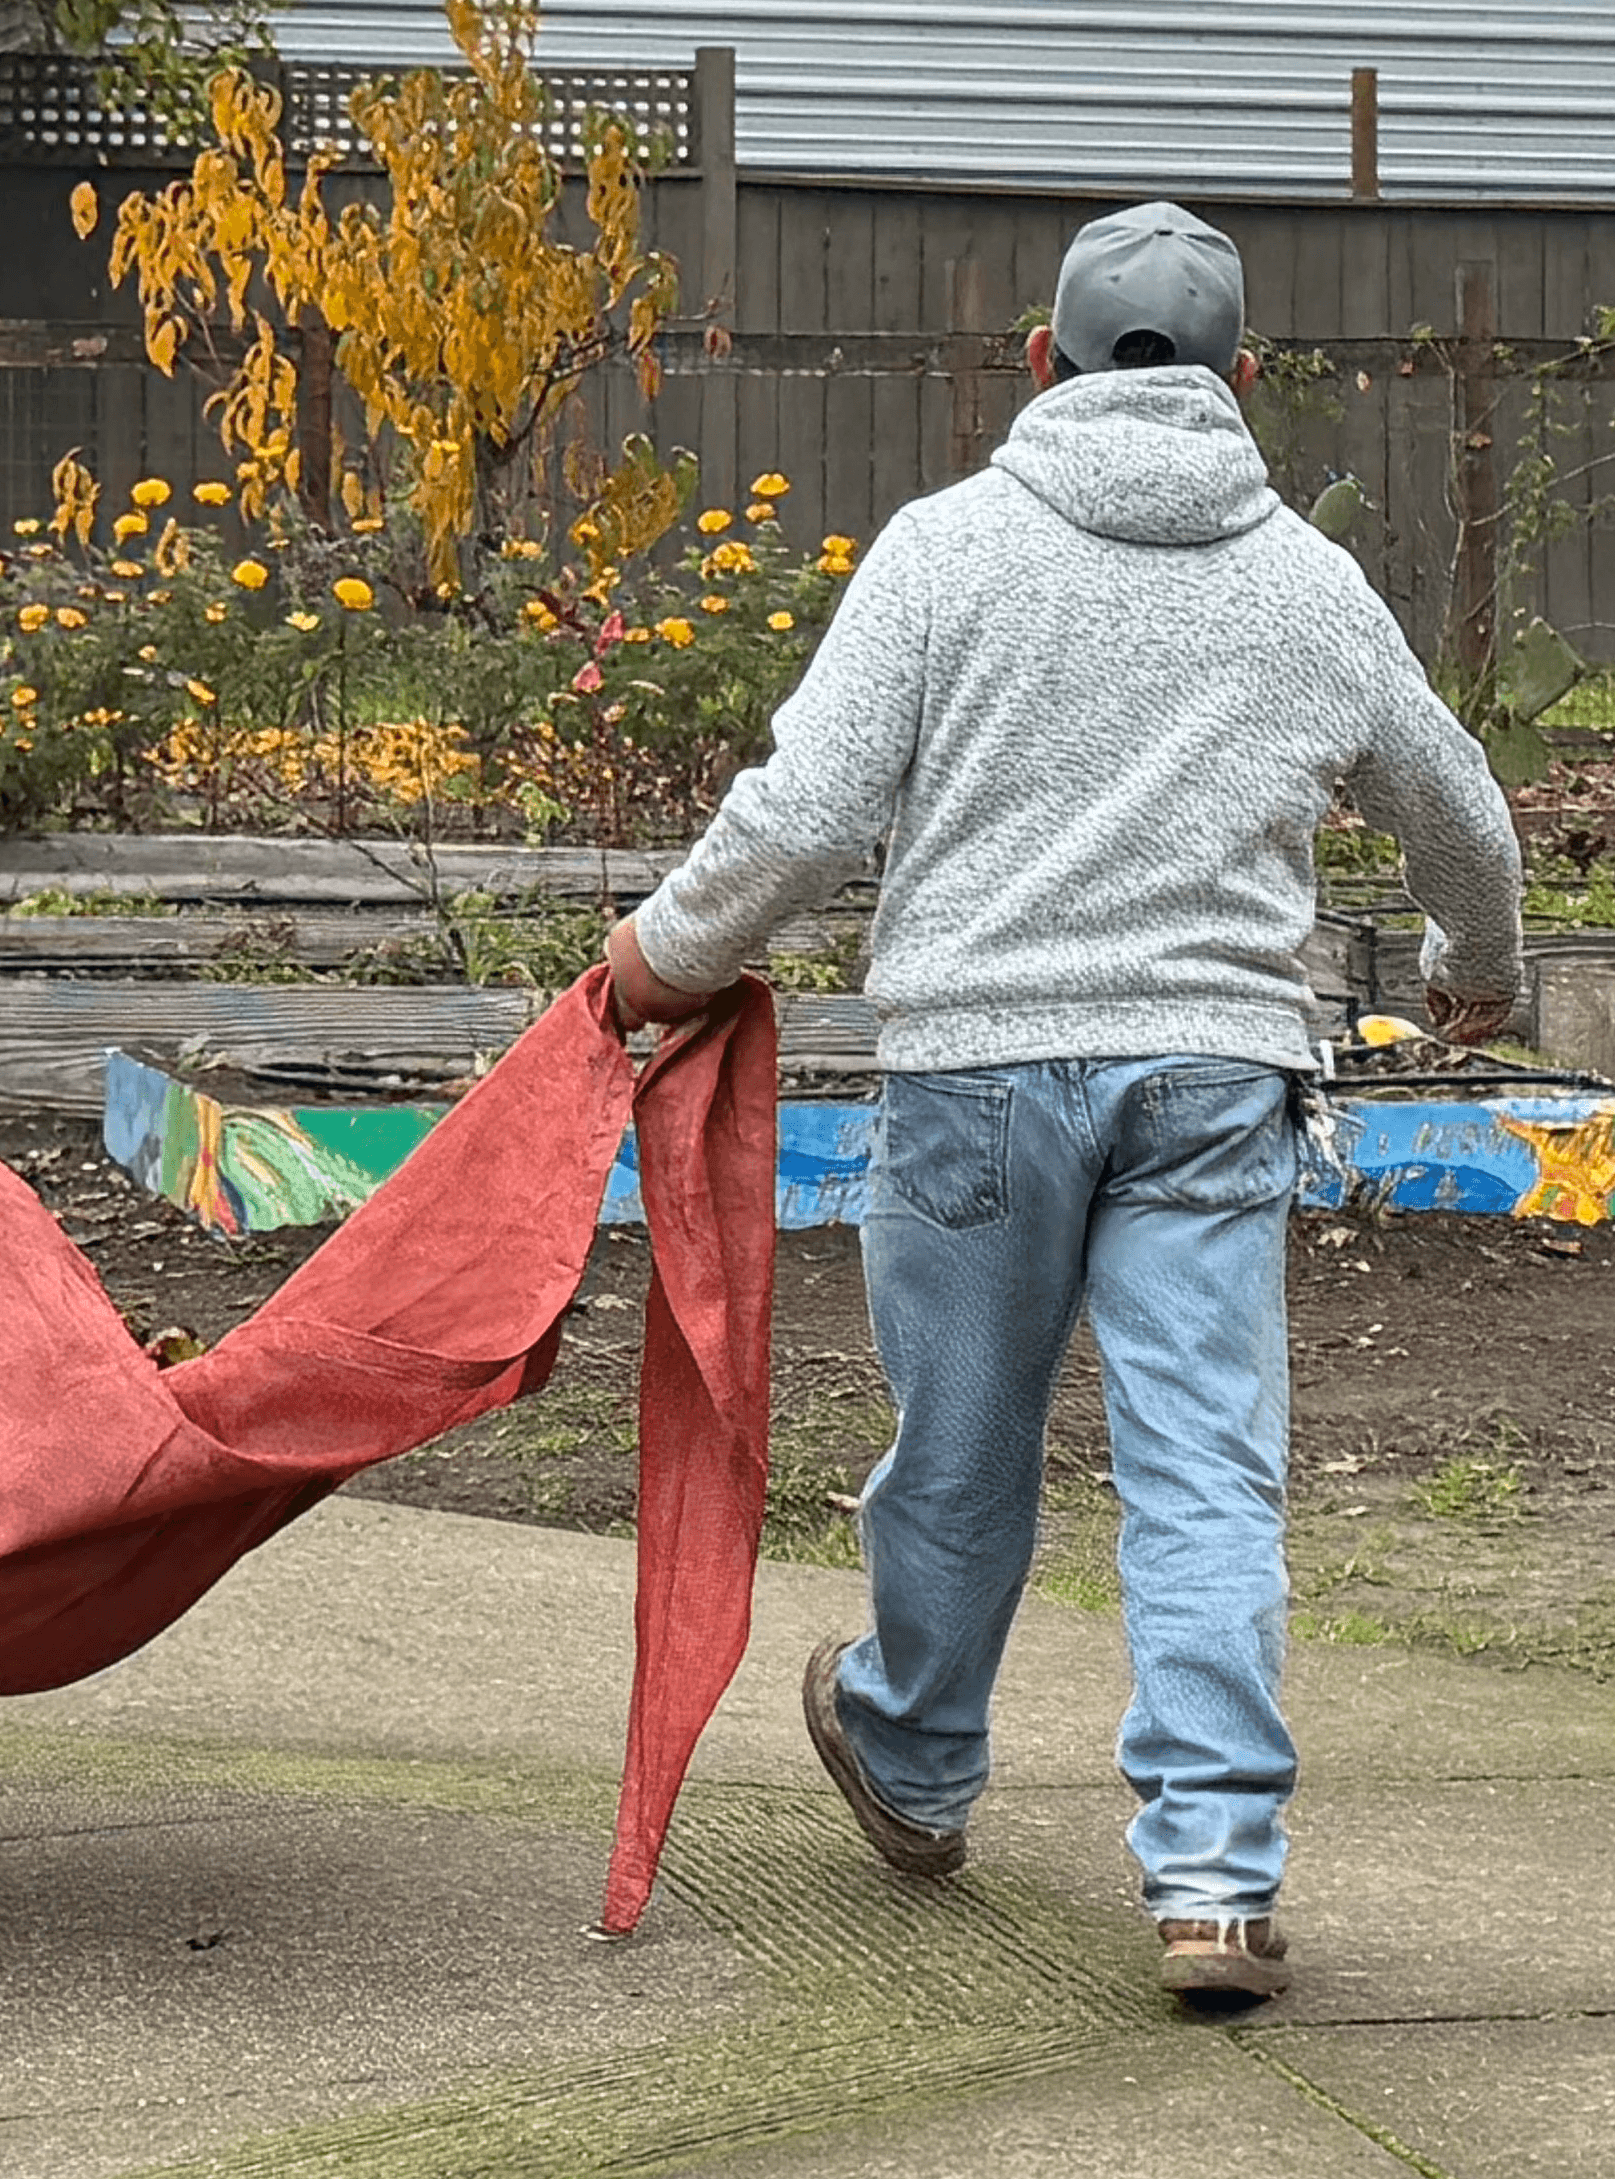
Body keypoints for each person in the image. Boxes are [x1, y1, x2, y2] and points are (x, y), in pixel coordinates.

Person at [606, 201, 1525, 2012]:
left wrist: (662, 957)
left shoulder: (946, 553)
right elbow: (1462, 811)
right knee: (1204, 1471)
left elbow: (806, 810)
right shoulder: (1306, 582)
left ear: (1038, 361)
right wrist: (1467, 960)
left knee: (959, 1451)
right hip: (1212, 1072)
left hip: (975, 1074)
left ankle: (919, 1757)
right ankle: (1214, 1880)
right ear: (1243, 382)